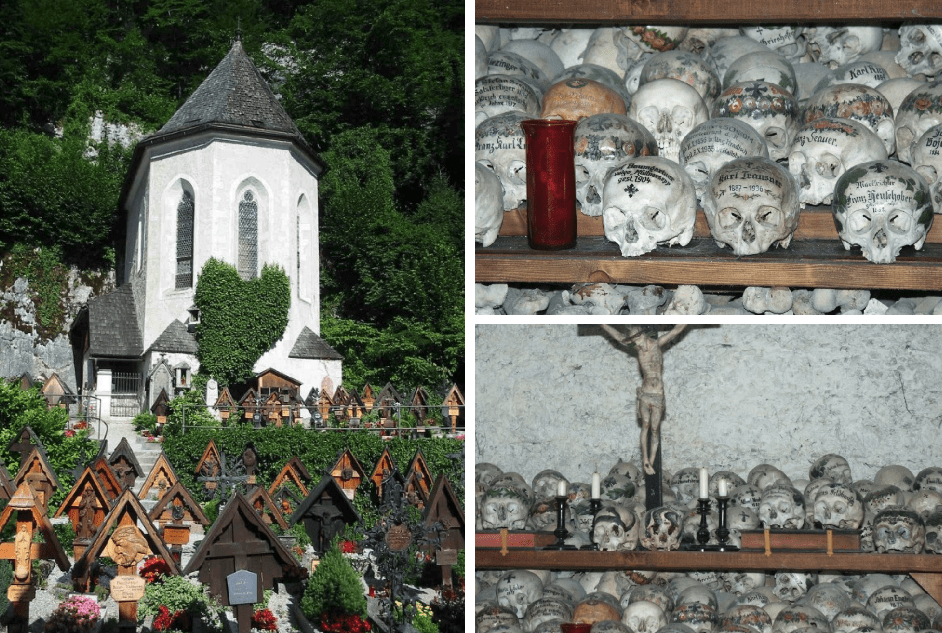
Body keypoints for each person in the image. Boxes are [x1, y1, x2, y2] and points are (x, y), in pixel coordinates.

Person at [602, 324, 687, 475]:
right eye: (634, 343)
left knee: (655, 429)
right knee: (645, 425)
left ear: (643, 336)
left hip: (658, 394)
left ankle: (651, 462)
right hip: (645, 393)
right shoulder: (638, 349)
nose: (637, 346)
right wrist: (601, 323)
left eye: (637, 342)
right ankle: (645, 460)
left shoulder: (657, 344)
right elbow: (618, 336)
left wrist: (690, 318)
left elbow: (676, 330)